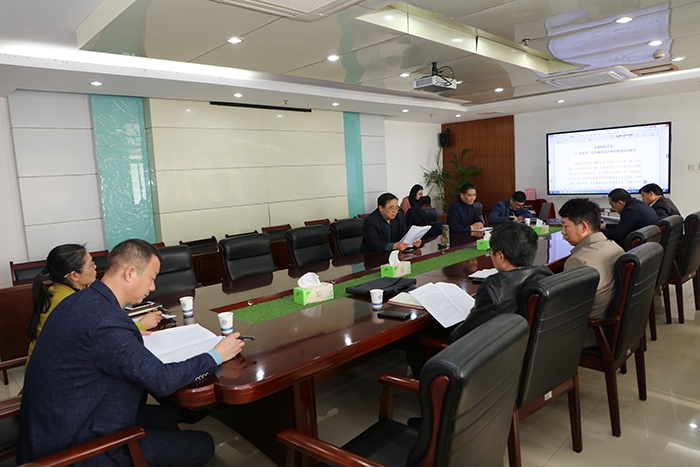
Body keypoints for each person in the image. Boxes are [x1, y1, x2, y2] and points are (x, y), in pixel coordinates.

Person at [18, 239, 245, 467]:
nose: (153, 287)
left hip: (63, 420)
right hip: (74, 447)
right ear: (130, 273)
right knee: (203, 444)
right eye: (152, 278)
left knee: (169, 416)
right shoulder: (105, 322)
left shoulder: (82, 300)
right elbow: (162, 380)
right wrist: (216, 354)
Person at [449, 222, 552, 342]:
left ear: (500, 257)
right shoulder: (545, 274)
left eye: (490, 251)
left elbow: (463, 336)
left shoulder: (494, 289)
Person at [559, 198, 624, 347]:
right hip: (611, 328)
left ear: (583, 227)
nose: (562, 232)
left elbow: (567, 308)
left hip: (588, 333)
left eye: (565, 226)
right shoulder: (615, 248)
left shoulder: (579, 261)